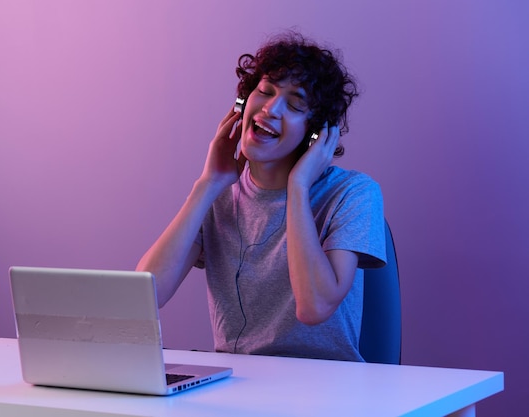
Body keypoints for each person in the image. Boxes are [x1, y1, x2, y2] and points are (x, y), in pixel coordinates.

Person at [137, 31, 386, 362]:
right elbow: (146, 296)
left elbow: (314, 307)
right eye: (264, 91)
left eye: (295, 104)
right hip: (238, 386)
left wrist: (297, 188)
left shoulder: (353, 193)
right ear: (241, 104)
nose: (270, 108)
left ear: (317, 132)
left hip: (327, 389)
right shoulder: (219, 195)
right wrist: (208, 184)